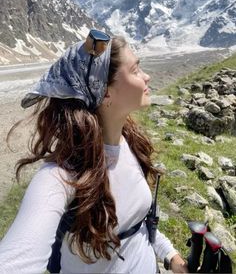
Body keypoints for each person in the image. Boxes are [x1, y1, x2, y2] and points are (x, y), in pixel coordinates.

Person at [0, 29, 189, 273]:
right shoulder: (61, 176)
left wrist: (171, 255)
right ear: (105, 91)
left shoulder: (129, 141)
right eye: (135, 70)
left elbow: (136, 224)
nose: (147, 76)